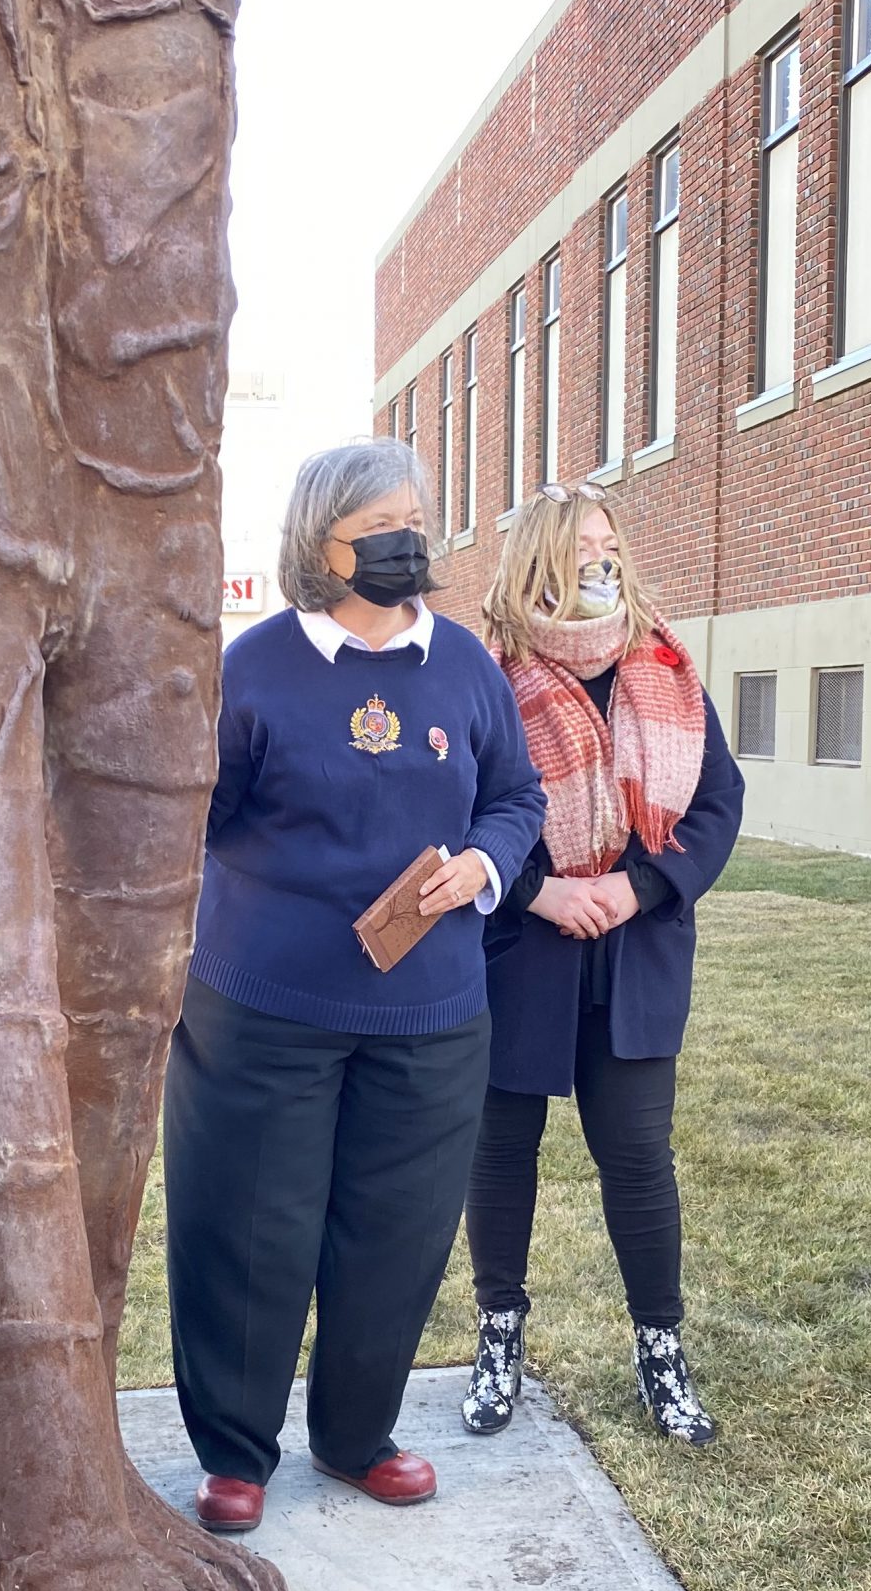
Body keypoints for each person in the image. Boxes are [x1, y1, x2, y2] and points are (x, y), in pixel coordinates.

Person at [165, 439, 545, 1535]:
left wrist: (484, 859)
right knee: (248, 1229)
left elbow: (514, 797)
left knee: (395, 1230)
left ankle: (354, 1435)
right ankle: (235, 1451)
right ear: (319, 544)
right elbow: (198, 815)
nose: (406, 543)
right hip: (262, 1009)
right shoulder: (255, 667)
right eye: (381, 527)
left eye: (416, 520)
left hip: (429, 1014)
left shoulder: (464, 664)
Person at [461, 483, 742, 1444]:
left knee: (636, 1156)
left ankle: (660, 1351)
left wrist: (639, 887)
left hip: (638, 953)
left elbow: (715, 806)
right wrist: (540, 888)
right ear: (538, 556)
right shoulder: (487, 674)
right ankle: (499, 1340)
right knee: (502, 1153)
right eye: (578, 543)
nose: (598, 555)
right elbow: (463, 805)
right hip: (520, 950)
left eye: (607, 538)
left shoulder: (661, 664)